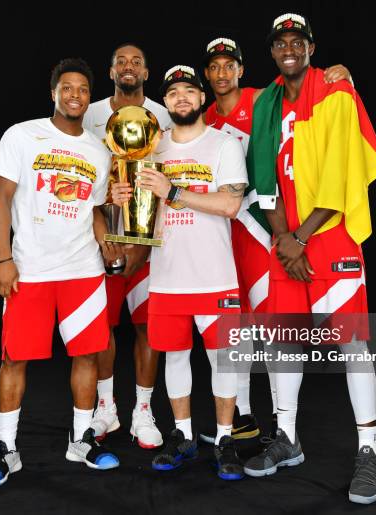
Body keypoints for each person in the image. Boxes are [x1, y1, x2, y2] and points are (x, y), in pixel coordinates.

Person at [240, 14, 376, 506]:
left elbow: (342, 173)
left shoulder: (334, 91)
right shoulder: (266, 103)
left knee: (352, 344)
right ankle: (288, 438)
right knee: (284, 341)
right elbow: (268, 179)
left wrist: (301, 237)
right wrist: (283, 236)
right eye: (280, 42)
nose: (288, 48)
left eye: (296, 41)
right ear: (273, 51)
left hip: (330, 236)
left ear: (310, 47)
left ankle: (369, 451)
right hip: (287, 240)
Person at [199, 36, 353, 445]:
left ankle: (279, 424)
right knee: (236, 326)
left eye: (229, 65)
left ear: (241, 70)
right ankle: (242, 414)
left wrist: (345, 77)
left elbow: (308, 87)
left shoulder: (263, 99)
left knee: (273, 327)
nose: (221, 73)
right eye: (214, 66)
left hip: (264, 229)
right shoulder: (205, 118)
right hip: (223, 232)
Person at [0, 58, 120, 489]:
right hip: (32, 269)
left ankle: (81, 440)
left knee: (87, 355)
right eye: (67, 88)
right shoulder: (22, 135)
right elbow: (0, 199)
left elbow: (94, 209)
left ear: (88, 97)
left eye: (82, 89)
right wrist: (4, 258)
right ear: (54, 93)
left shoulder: (98, 150)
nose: (75, 94)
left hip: (83, 271)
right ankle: (7, 449)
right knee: (14, 358)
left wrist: (106, 240)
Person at [112, 65, 248, 480]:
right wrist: (120, 197)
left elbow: (229, 205)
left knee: (223, 361)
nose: (182, 98)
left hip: (215, 275)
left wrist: (173, 191)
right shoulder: (152, 147)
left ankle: (225, 439)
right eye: (174, 93)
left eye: (190, 90)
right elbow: (143, 213)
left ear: (202, 98)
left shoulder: (223, 145)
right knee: (174, 355)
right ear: (165, 102)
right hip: (168, 276)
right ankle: (183, 436)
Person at [82, 43, 172, 449]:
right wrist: (105, 235)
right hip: (100, 241)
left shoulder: (165, 114)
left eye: (137, 60)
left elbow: (172, 179)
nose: (129, 66)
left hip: (150, 241)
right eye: (121, 61)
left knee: (147, 326)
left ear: (147, 72)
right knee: (100, 330)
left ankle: (143, 411)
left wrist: (146, 244)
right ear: (111, 70)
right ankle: (106, 408)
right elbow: (81, 181)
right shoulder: (89, 115)